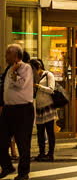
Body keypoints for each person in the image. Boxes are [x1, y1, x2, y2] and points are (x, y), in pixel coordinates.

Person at [0, 44, 35, 180]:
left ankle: (23, 173)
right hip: (8, 109)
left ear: (16, 55)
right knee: (2, 140)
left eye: (8, 53)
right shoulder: (8, 69)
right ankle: (7, 166)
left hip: (23, 110)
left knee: (23, 143)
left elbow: (21, 84)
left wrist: (14, 72)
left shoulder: (25, 67)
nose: (5, 56)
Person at [30, 59, 57, 162]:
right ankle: (41, 153)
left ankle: (50, 154)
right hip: (39, 107)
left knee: (50, 132)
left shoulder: (48, 75)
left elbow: (51, 89)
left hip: (48, 107)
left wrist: (38, 86)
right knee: (40, 132)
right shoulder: (34, 77)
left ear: (39, 67)